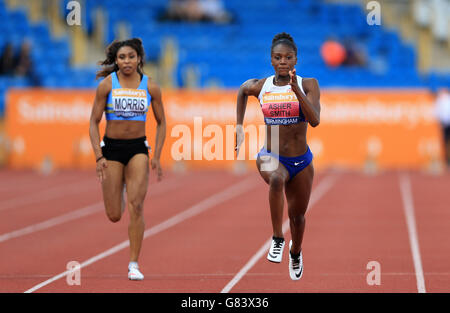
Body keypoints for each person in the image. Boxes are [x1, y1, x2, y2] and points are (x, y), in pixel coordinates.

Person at [235, 32, 321, 280]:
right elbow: (242, 91)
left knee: (298, 218)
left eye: (288, 57)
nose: (283, 61)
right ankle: (277, 238)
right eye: (277, 57)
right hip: (270, 154)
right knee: (275, 179)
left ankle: (295, 252)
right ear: (271, 60)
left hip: (301, 160)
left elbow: (314, 120)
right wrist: (239, 126)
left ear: (296, 60)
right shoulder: (262, 86)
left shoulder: (308, 85)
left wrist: (296, 91)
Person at [89, 38, 166, 281]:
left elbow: (162, 122)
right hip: (111, 149)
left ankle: (134, 263)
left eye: (131, 56)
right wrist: (99, 155)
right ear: (116, 61)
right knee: (114, 215)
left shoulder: (150, 86)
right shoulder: (106, 85)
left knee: (137, 206)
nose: (127, 61)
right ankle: (119, 186)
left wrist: (158, 156)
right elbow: (93, 122)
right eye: (122, 57)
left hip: (137, 149)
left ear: (139, 58)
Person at [434, 87, 450, 168]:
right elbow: (437, 112)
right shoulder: (440, 100)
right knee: (445, 142)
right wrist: (440, 122)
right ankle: (447, 160)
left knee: (446, 142)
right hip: (444, 123)